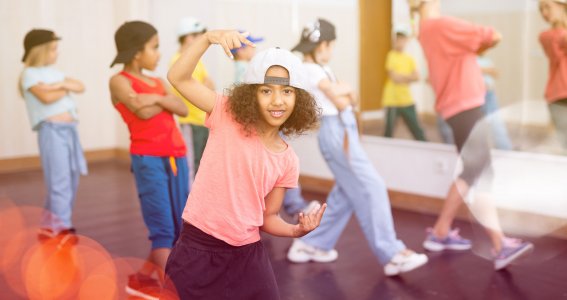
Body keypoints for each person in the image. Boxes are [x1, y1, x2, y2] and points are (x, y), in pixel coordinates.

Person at [163, 31, 326, 299]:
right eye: (266, 91)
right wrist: (207, 39)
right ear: (251, 94)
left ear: (299, 100)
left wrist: (296, 230)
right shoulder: (225, 113)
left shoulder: (288, 159)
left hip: (247, 254)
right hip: (198, 248)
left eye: (287, 91)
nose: (277, 100)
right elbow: (178, 78)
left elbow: (268, 218)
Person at [286, 18, 428, 277]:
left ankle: (310, 244)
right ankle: (392, 254)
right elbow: (342, 102)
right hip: (335, 131)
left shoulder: (321, 68)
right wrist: (347, 92)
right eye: (331, 45)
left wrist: (347, 94)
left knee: (346, 194)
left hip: (343, 130)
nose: (331, 50)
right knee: (372, 187)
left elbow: (349, 98)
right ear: (323, 45)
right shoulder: (311, 69)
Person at [411, 0, 533, 270]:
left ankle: (443, 232)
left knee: (476, 171)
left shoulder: (425, 29)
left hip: (457, 108)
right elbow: (494, 35)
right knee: (477, 171)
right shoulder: (443, 25)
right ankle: (499, 245)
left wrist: (474, 48)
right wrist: (479, 46)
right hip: (465, 107)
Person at [109, 21, 189, 298]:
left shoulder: (157, 82)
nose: (159, 54)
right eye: (154, 47)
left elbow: (182, 107)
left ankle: (142, 279)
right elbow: (139, 112)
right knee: (163, 229)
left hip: (177, 157)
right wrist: (164, 101)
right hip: (148, 159)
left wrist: (155, 100)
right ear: (136, 53)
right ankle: (178, 288)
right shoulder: (119, 81)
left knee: (180, 226)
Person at [19, 29, 87, 246]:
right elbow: (46, 98)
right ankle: (62, 228)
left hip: (69, 132)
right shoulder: (30, 73)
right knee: (59, 181)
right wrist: (65, 88)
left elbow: (80, 86)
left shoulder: (53, 73)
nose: (57, 53)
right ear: (42, 50)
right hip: (52, 132)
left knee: (70, 178)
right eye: (54, 49)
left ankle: (49, 224)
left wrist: (60, 85)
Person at [171, 17, 216, 185]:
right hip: (188, 120)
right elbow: (195, 88)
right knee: (191, 163)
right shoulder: (178, 61)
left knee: (202, 163)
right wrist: (201, 86)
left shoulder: (196, 61)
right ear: (188, 37)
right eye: (198, 35)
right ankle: (189, 202)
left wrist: (201, 86)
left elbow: (209, 84)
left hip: (202, 119)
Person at [382, 28, 426, 141]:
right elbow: (394, 78)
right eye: (397, 40)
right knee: (388, 131)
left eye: (402, 40)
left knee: (417, 130)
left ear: (406, 41)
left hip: (407, 99)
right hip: (392, 100)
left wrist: (402, 77)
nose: (399, 43)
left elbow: (417, 77)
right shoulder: (391, 55)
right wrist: (408, 77)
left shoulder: (409, 59)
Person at [539, 0, 567, 149]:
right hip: (559, 98)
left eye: (547, 7)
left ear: (562, 5)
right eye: (541, 9)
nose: (544, 13)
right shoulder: (546, 36)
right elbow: (561, 39)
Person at [476, 53, 513, 150]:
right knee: (478, 126)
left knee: (496, 123)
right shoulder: (469, 59)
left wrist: (488, 71)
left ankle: (505, 149)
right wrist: (486, 70)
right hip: (476, 96)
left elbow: (496, 73)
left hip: (489, 94)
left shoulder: (486, 60)